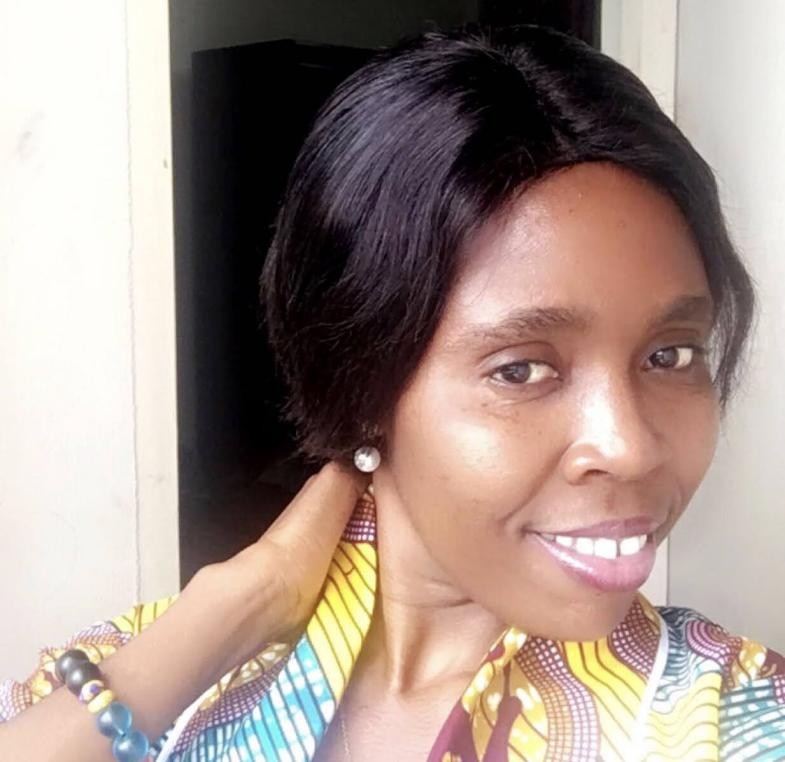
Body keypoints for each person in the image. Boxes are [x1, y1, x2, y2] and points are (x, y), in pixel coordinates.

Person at [1, 23, 783, 762]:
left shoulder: (735, 719)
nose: (631, 447)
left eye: (670, 355)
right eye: (520, 369)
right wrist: (239, 602)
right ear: (362, 382)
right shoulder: (146, 669)